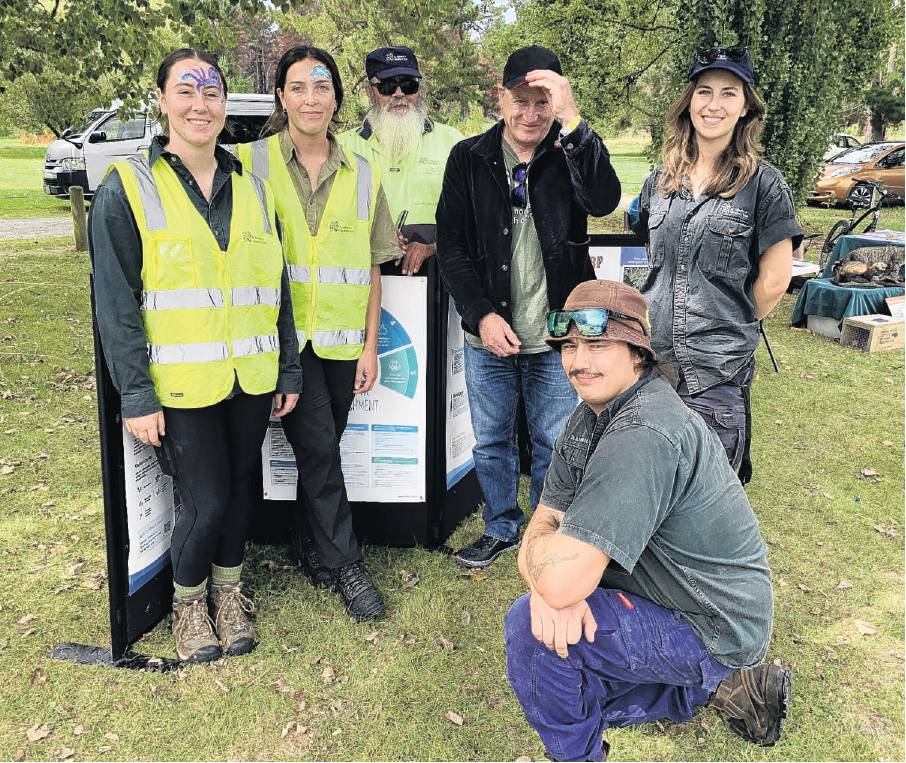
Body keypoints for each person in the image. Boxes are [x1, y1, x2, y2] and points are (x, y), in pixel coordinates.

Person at [504, 279, 790, 761]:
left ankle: (584, 751)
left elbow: (556, 570)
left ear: (637, 352)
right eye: (569, 346)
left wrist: (551, 582)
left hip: (712, 622)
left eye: (596, 344)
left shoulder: (644, 433)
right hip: (666, 590)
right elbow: (546, 516)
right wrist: (549, 577)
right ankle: (719, 690)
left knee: (533, 635)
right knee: (556, 619)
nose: (577, 361)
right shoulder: (593, 412)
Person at [89, 48, 302, 663]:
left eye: (211, 93)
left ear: (225, 104)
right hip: (179, 384)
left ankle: (230, 593)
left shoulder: (254, 190)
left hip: (251, 376)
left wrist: (286, 368)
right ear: (161, 100)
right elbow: (116, 304)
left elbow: (276, 289)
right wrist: (135, 392)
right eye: (186, 90)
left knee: (241, 493)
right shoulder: (127, 188)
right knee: (205, 500)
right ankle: (188, 602)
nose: (199, 104)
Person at [435, 45, 621, 569]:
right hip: (488, 330)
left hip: (560, 329)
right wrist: (481, 315)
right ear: (501, 99)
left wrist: (576, 122)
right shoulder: (468, 158)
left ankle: (547, 529)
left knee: (555, 438)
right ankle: (500, 526)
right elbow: (451, 245)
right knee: (491, 440)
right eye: (521, 100)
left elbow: (605, 200)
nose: (531, 113)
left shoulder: (570, 153)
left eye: (543, 101)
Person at [237, 46, 399, 622]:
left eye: (322, 86)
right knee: (320, 453)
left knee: (321, 448)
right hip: (279, 340)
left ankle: (307, 545)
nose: (311, 98)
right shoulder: (247, 164)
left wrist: (370, 344)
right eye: (299, 87)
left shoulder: (364, 169)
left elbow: (375, 264)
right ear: (281, 96)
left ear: (336, 97)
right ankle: (346, 565)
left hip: (339, 341)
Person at [630, 45, 803, 484]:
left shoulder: (764, 184)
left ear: (746, 107)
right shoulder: (659, 181)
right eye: (704, 91)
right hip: (653, 365)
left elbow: (775, 278)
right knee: (651, 483)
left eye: (729, 93)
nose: (714, 104)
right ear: (688, 101)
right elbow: (655, 261)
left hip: (716, 372)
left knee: (708, 498)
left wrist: (731, 326)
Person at [339, 45, 464, 276]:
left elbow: (474, 218)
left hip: (437, 288)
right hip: (363, 282)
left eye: (408, 85)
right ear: (369, 91)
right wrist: (372, 236)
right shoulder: (341, 147)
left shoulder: (453, 142)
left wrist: (432, 247)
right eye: (387, 86)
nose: (399, 94)